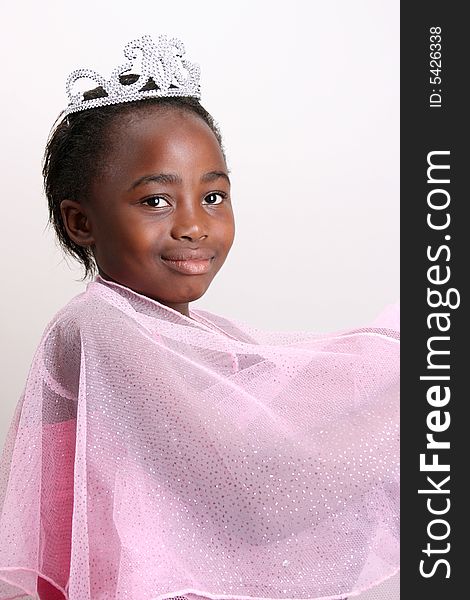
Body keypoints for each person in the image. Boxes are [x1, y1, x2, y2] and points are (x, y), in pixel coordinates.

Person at [0, 35, 399, 600]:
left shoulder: (201, 336)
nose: (193, 225)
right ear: (80, 222)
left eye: (213, 197)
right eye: (156, 201)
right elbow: (255, 480)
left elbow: (286, 395)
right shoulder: (100, 327)